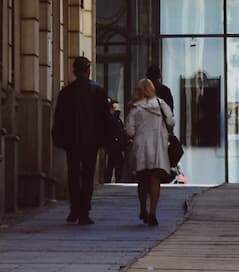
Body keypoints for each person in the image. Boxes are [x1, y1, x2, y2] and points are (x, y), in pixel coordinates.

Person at [51, 56, 112, 225]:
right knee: (87, 175)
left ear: (74, 71)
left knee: (73, 174)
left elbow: (59, 118)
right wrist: (106, 140)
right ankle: (84, 211)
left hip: (72, 141)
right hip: (91, 141)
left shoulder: (66, 92)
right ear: (88, 70)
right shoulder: (98, 91)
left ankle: (74, 209)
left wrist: (58, 137)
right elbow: (104, 118)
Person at [124, 76, 174, 227]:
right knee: (155, 179)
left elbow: (129, 130)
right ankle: (153, 211)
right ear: (152, 89)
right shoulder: (160, 103)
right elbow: (171, 121)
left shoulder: (135, 107)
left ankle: (142, 208)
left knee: (142, 179)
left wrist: (137, 134)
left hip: (141, 146)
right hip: (157, 145)